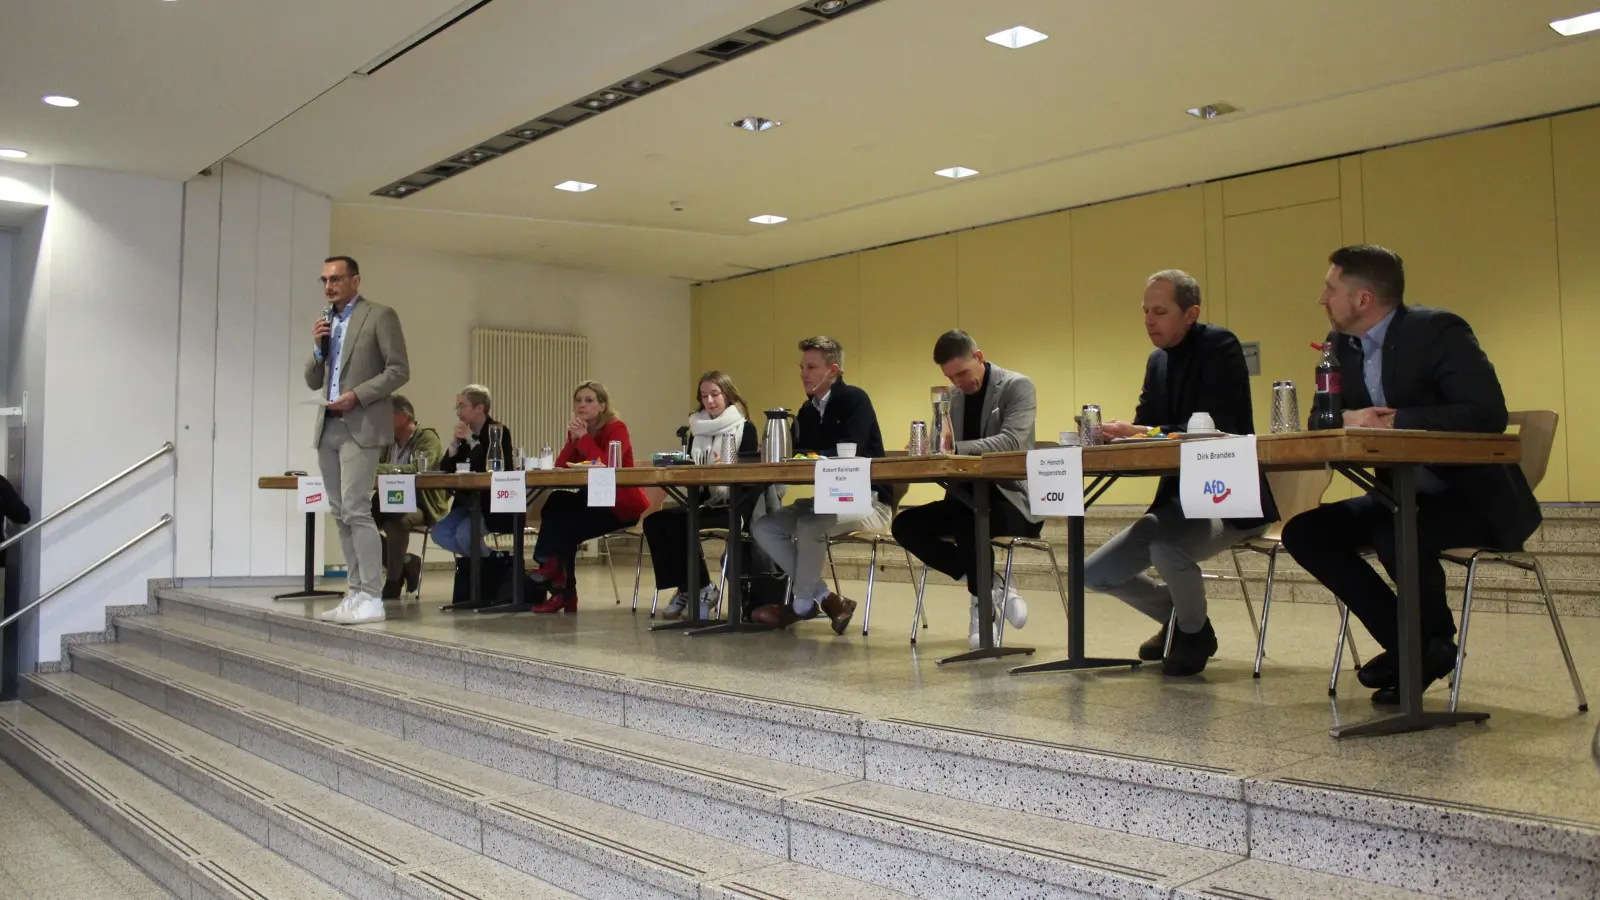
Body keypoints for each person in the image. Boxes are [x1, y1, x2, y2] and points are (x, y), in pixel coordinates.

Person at [1281, 244, 1538, 704]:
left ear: (1362, 299)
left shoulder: (1438, 331)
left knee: (1395, 530)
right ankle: (1418, 648)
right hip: (1399, 495)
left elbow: (1486, 413)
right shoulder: (1340, 346)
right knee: (1306, 532)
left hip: (1474, 499)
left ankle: (1422, 648)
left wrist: (1394, 419)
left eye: (1330, 287)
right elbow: (1336, 415)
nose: (1322, 298)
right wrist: (1345, 421)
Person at [1087, 270, 1278, 675]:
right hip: (1176, 500)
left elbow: (1214, 424)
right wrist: (1119, 438)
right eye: (1145, 311)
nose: (1149, 320)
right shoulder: (1156, 361)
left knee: (1164, 547)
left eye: (1160, 311)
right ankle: (1180, 619)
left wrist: (1141, 431)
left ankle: (1192, 633)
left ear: (1191, 313)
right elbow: (1148, 425)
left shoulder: (1219, 345)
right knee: (1095, 573)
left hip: (1228, 496)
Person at [890, 330, 1037, 648]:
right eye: (949, 376)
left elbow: (1012, 441)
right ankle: (990, 583)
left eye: (962, 373)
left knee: (972, 518)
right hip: (963, 498)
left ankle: (980, 606)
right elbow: (939, 448)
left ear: (980, 358)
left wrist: (952, 446)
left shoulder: (1016, 387)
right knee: (905, 525)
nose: (957, 383)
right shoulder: (949, 399)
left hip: (1013, 500)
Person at [750, 336, 892, 634]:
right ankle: (827, 598)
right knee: (764, 527)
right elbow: (795, 457)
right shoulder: (805, 411)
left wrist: (803, 456)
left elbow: (847, 452)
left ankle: (801, 606)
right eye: (802, 367)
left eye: (812, 367)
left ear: (833, 370)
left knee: (811, 525)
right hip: (826, 500)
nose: (804, 373)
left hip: (867, 501)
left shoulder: (855, 400)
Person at [305, 255, 410, 626]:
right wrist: (319, 349)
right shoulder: (327, 322)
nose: (329, 286)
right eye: (324, 280)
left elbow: (398, 370)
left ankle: (372, 595)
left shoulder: (379, 315)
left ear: (356, 280)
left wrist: (358, 394)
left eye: (336, 279)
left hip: (361, 423)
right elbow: (313, 380)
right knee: (338, 513)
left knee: (356, 509)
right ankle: (354, 594)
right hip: (328, 425)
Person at [525, 381, 650, 614]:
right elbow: (561, 467)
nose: (582, 405)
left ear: (602, 405)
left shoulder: (616, 428)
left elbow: (607, 466)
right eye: (578, 401)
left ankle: (561, 589)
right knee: (558, 501)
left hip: (619, 504)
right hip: (592, 499)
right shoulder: (579, 431)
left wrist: (583, 439)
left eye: (589, 400)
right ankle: (556, 574)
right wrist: (573, 439)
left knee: (564, 524)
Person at [643, 371, 758, 619]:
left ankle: (696, 587)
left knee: (684, 523)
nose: (709, 400)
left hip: (733, 504)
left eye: (715, 394)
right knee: (655, 522)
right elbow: (694, 466)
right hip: (703, 501)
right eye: (704, 396)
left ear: (727, 395)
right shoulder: (696, 428)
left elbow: (750, 470)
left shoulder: (744, 427)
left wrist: (725, 469)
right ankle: (696, 587)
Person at [374, 394, 449, 599]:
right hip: (387, 499)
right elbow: (373, 466)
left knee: (396, 520)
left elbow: (418, 469)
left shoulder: (427, 438)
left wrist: (382, 469)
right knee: (354, 519)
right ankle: (406, 562)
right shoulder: (387, 441)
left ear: (403, 415)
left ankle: (393, 580)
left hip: (421, 503)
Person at [432, 385, 515, 561]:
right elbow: (445, 470)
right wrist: (454, 444)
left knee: (464, 535)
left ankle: (482, 571)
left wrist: (472, 440)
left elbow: (494, 469)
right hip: (467, 503)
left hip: (492, 505)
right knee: (439, 533)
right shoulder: (463, 435)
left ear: (479, 408)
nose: (458, 412)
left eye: (462, 406)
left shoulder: (498, 432)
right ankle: (491, 560)